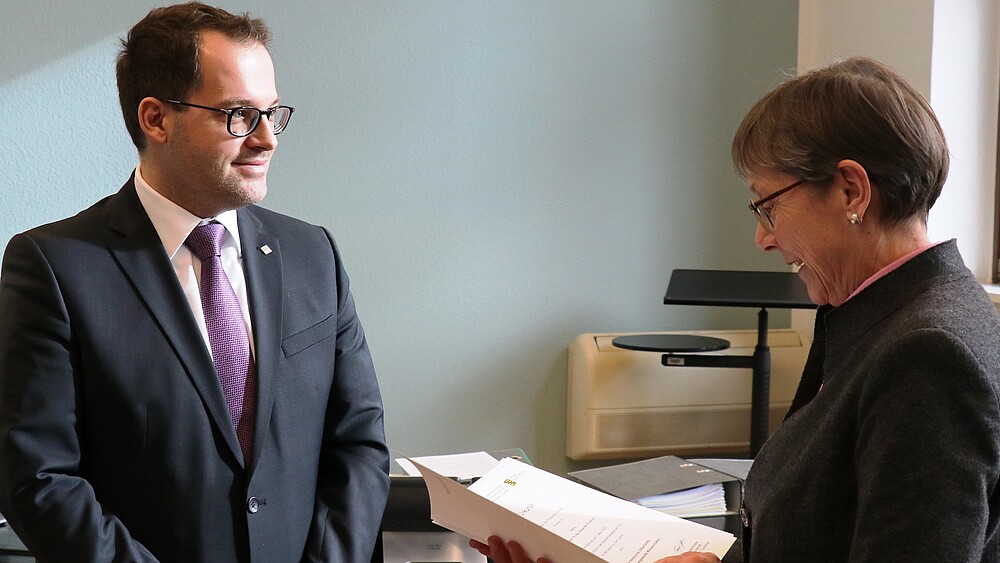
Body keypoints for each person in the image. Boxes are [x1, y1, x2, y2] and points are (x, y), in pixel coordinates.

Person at [473, 56, 1000, 562]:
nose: (762, 238)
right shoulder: (890, 316)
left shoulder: (925, 353)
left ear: (850, 190)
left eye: (768, 206)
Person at [0, 3, 390, 562]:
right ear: (156, 119)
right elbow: (38, 479)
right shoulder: (55, 266)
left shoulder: (313, 256)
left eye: (271, 113)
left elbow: (358, 443)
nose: (266, 139)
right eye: (237, 115)